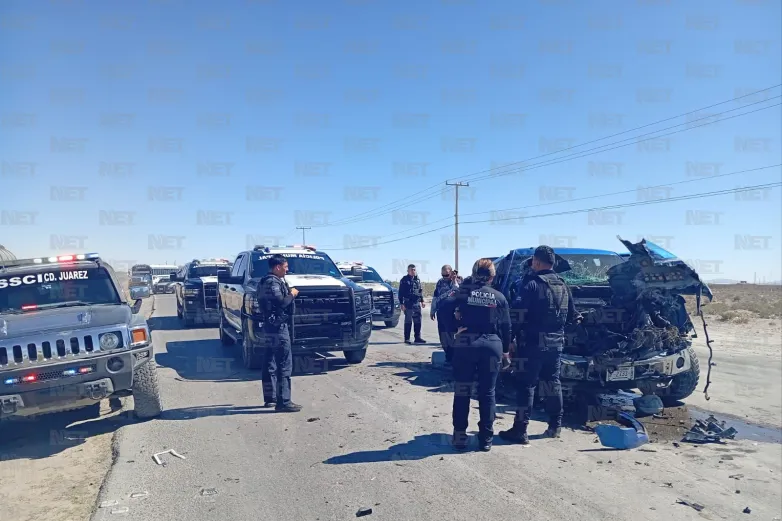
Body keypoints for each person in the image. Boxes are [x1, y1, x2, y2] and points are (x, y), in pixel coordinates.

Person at [499, 245, 582, 444]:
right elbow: (573, 316)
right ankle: (555, 426)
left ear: (536, 262)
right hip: (555, 345)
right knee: (552, 383)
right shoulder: (563, 284)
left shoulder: (532, 284)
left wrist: (509, 339)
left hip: (532, 344)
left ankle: (520, 430)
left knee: (526, 386)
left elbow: (517, 316)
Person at [438, 259, 512, 452]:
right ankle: (486, 439)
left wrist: (454, 329)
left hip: (466, 343)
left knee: (463, 390)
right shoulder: (499, 297)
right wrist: (505, 351)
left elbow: (444, 306)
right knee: (487, 393)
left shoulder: (463, 292)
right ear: (492, 276)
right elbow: (506, 327)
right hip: (492, 345)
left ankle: (460, 436)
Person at [258, 254, 302, 412]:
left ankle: (271, 398)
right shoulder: (272, 282)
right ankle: (284, 401)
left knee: (270, 361)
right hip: (277, 327)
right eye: (285, 266)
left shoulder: (265, 281)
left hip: (270, 326)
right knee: (284, 363)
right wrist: (293, 294)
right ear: (277, 267)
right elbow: (281, 302)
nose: (287, 269)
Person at [431, 264, 459, 365]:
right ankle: (447, 355)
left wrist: (454, 279)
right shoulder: (440, 282)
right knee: (442, 335)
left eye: (446, 275)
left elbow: (458, 290)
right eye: (443, 275)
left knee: (451, 335)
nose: (445, 278)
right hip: (441, 312)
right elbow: (435, 296)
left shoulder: (457, 281)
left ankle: (453, 356)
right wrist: (432, 310)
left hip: (452, 313)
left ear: (451, 273)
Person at [398, 264, 426, 344]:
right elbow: (400, 293)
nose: (413, 271)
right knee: (408, 321)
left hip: (416, 303)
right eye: (411, 270)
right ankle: (407, 338)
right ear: (408, 271)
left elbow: (420, 291)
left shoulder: (417, 280)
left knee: (418, 321)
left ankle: (417, 337)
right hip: (408, 303)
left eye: (414, 270)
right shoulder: (404, 280)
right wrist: (401, 303)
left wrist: (422, 301)